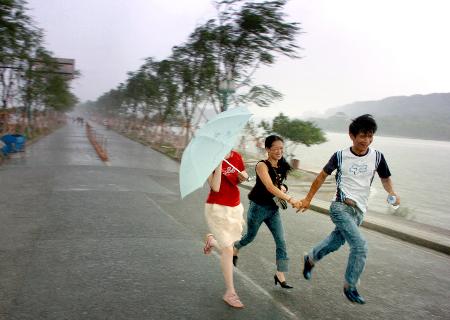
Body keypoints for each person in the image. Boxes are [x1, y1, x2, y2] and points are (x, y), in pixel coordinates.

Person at [298, 114, 400, 304]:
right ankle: (350, 286)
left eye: (370, 136)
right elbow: (321, 177)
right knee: (360, 246)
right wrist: (307, 199)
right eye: (362, 136)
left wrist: (392, 193)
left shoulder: (377, 157)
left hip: (359, 212)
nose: (366, 141)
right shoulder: (340, 156)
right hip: (340, 207)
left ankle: (310, 258)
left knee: (335, 242)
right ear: (352, 136)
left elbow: (385, 179)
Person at [233, 135, 302, 289]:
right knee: (250, 237)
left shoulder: (282, 165)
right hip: (258, 208)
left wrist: (284, 188)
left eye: (281, 149)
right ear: (268, 149)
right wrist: (291, 199)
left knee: (281, 241)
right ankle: (235, 247)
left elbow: (279, 185)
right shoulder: (261, 166)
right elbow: (270, 187)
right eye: (275, 148)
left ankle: (280, 274)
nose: (279, 151)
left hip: (273, 209)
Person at [202, 150, 249, 308]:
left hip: (234, 207)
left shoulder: (236, 156)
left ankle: (212, 241)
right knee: (228, 250)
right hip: (216, 208)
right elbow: (215, 187)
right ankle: (230, 293)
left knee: (229, 245)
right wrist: (218, 162)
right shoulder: (209, 159)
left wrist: (243, 177)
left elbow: (240, 178)